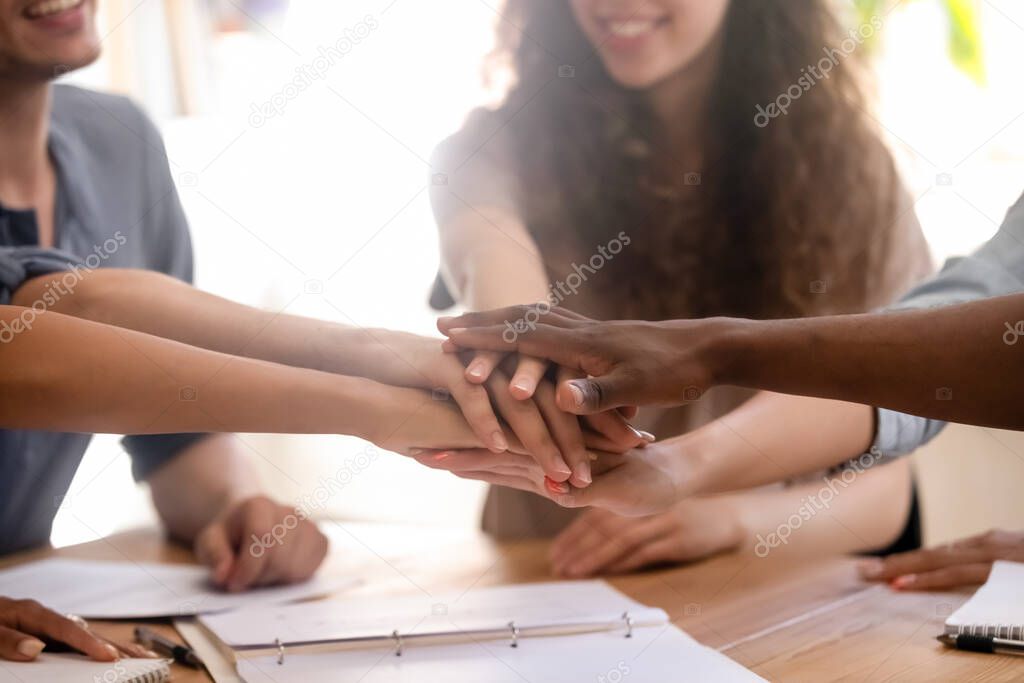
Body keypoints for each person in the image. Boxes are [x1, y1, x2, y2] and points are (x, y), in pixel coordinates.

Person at [0, 0, 635, 663]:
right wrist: (386, 402)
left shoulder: (117, 141)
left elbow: (166, 418)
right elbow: (40, 335)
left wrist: (234, 505)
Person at [428, 0, 933, 571]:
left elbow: (886, 491)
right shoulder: (490, 150)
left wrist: (723, 517)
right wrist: (527, 354)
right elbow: (497, 275)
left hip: (746, 595)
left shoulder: (848, 174)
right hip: (546, 577)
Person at [434, 189, 1024, 588]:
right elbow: (964, 325)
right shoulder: (510, 138)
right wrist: (677, 468)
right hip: (541, 587)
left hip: (762, 601)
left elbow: (982, 349)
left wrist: (715, 354)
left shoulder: (844, 178)